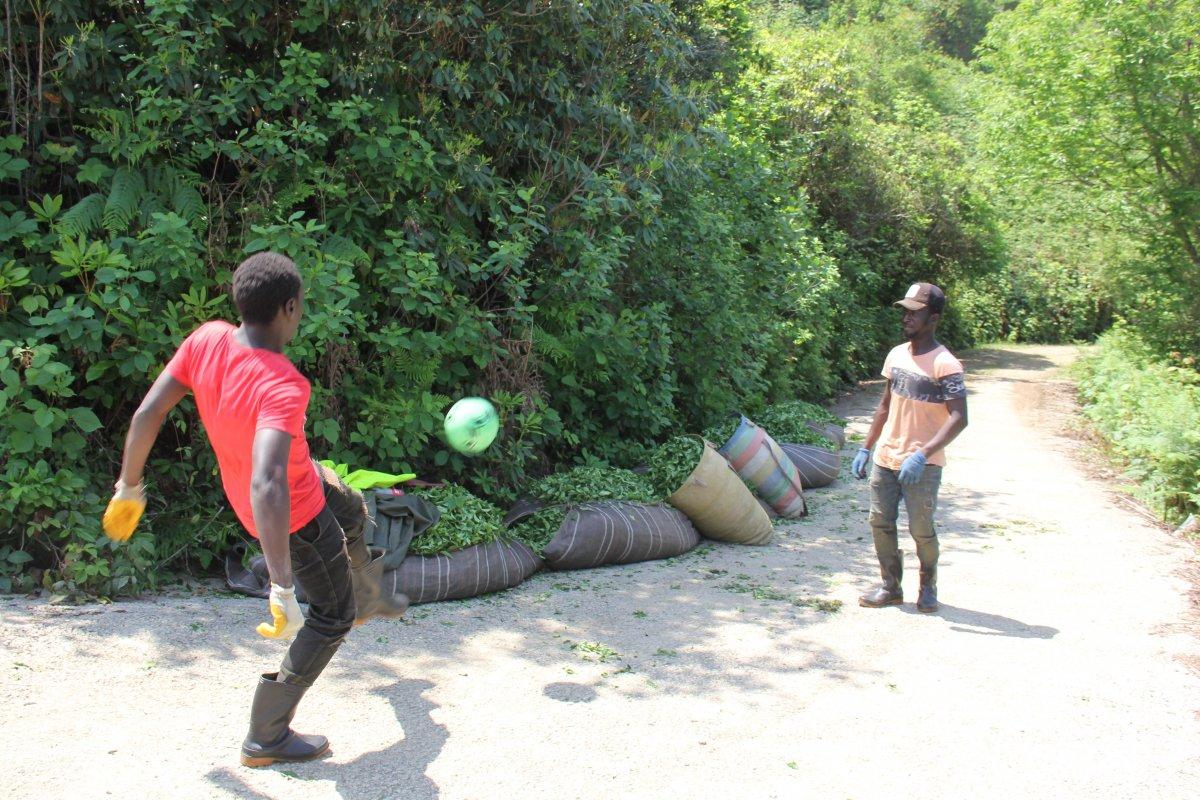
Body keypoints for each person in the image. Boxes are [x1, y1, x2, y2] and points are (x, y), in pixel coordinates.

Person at [101, 251, 407, 767]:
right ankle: (267, 735)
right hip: (293, 516)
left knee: (353, 510)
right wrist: (282, 585)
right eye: (301, 305)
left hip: (293, 484)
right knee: (330, 618)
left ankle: (362, 592)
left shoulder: (207, 339)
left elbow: (148, 412)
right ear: (289, 308)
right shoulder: (281, 383)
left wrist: (128, 486)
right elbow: (268, 482)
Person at [851, 282, 968, 613]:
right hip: (886, 458)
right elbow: (885, 405)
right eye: (905, 311)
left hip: (922, 465)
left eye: (915, 312)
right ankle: (891, 586)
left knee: (921, 529)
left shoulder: (946, 364)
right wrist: (866, 447)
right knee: (880, 523)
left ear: (934, 318)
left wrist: (922, 454)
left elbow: (959, 418)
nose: (906, 317)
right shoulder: (896, 354)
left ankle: (928, 585)